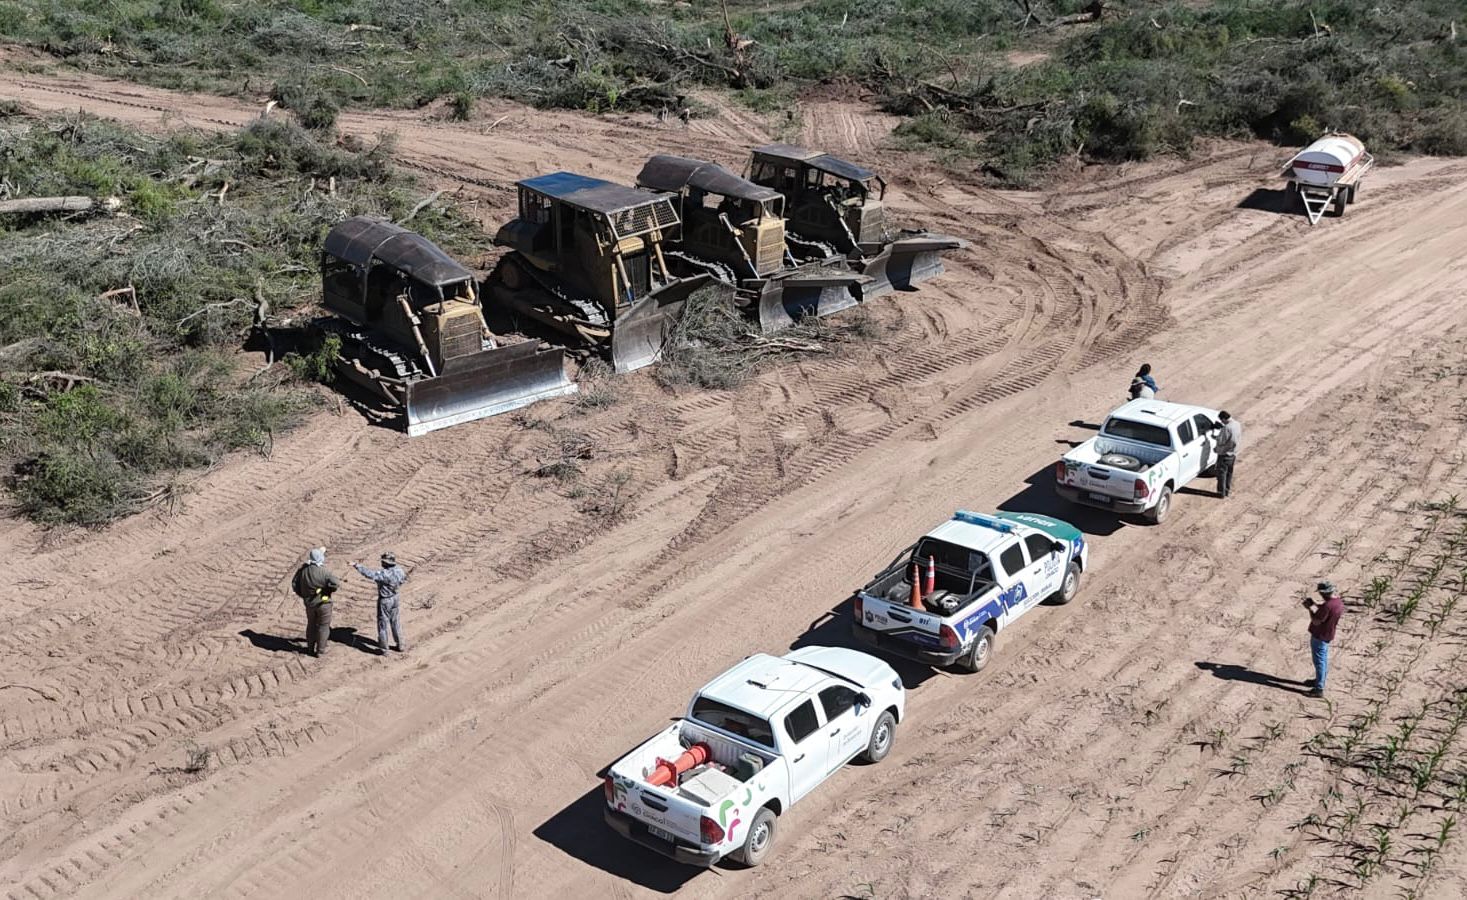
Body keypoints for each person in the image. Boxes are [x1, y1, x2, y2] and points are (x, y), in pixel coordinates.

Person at [352, 552, 409, 655]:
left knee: (382, 625)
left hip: (385, 600)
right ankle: (401, 644)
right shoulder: (400, 570)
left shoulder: (384, 574)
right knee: (396, 622)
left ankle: (384, 649)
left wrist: (357, 566)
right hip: (395, 598)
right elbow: (403, 580)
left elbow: (369, 574)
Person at [291, 548, 340, 658]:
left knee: (311, 625)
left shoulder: (303, 571)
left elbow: (294, 584)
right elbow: (336, 583)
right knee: (323, 626)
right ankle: (320, 651)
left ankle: (310, 648)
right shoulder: (324, 571)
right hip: (324, 603)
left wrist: (303, 595)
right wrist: (327, 590)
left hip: (309, 603)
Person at [1302, 581, 1345, 697]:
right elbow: (1324, 612)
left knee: (1319, 661)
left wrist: (1310, 609)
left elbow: (1316, 621)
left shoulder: (1327, 606)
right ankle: (1319, 681)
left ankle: (1319, 688)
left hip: (1319, 635)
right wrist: (1314, 605)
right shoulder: (1338, 603)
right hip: (1327, 634)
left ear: (1323, 593)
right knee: (1323, 660)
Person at [1212, 410, 1243, 498]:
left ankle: (1220, 493)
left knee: (1222, 474)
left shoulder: (1227, 428)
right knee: (1229, 473)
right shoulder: (1237, 424)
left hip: (1224, 454)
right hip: (1233, 454)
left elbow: (1222, 441)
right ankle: (1226, 491)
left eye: (1222, 420)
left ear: (1224, 419)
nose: (1222, 422)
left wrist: (1216, 446)